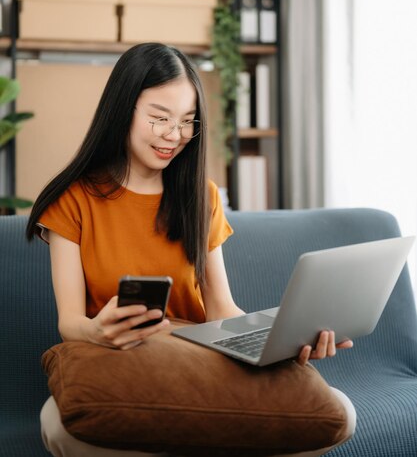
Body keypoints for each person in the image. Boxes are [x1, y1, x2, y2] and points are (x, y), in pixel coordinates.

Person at [27, 43, 355, 457]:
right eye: (160, 118)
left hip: (199, 364)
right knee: (58, 427)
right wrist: (96, 330)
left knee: (342, 412)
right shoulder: (73, 200)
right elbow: (70, 322)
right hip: (118, 362)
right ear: (121, 110)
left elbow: (221, 309)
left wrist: (285, 337)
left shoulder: (203, 196)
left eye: (187, 122)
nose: (174, 135)